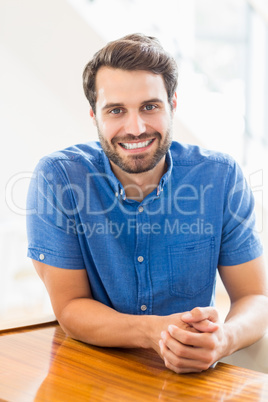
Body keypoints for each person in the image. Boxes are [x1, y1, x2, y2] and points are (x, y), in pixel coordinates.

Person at [26, 33, 268, 374]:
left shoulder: (220, 176)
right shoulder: (59, 178)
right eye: (116, 110)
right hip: (91, 373)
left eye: (150, 107)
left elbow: (255, 298)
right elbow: (70, 307)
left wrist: (223, 340)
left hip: (191, 379)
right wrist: (155, 332)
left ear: (173, 105)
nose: (135, 128)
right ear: (94, 116)